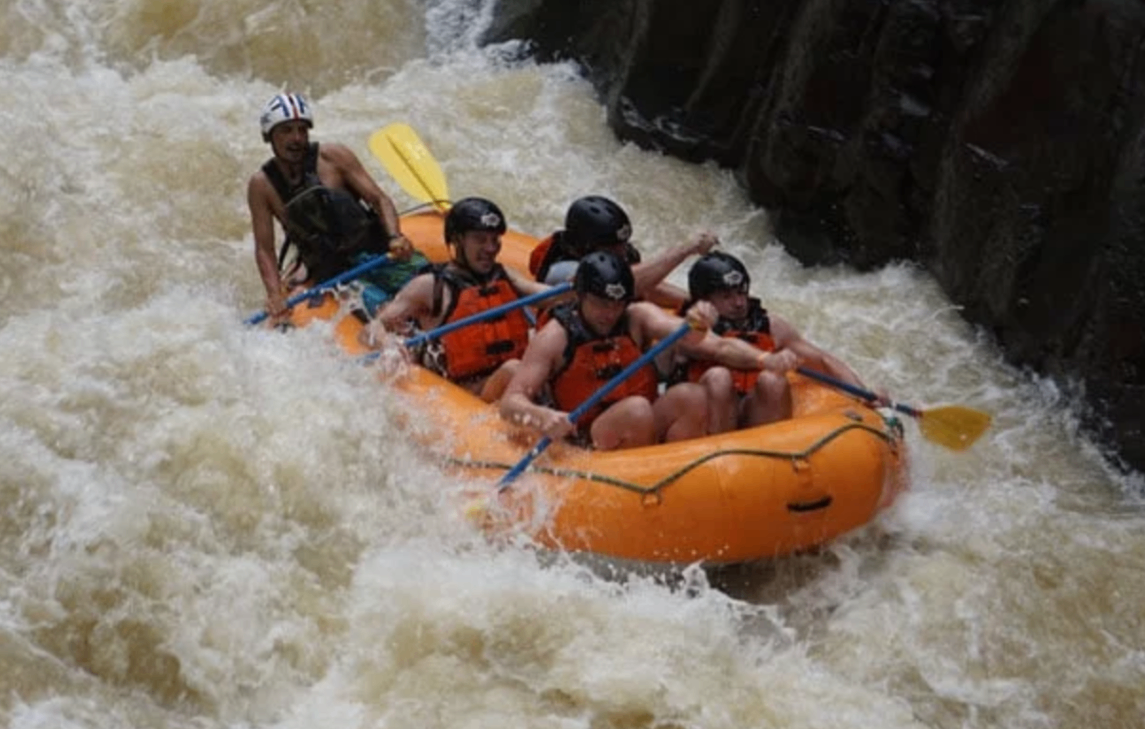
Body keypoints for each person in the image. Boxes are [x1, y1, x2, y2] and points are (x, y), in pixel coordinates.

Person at [500, 250, 787, 451]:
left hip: (644, 426)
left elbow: (714, 344)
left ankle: (689, 473)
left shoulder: (637, 316)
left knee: (692, 395)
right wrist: (543, 417)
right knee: (636, 410)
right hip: (586, 438)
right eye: (601, 303)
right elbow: (511, 401)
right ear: (581, 296)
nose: (609, 313)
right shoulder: (555, 336)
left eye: (617, 303)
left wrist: (762, 357)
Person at [247, 92, 426, 321]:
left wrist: (394, 236)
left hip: (376, 249)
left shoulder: (333, 157)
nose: (297, 138)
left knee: (434, 287)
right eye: (286, 130)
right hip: (335, 273)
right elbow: (265, 249)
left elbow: (379, 199)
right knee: (387, 315)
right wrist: (274, 294)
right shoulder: (261, 185)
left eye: (302, 129)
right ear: (269, 136)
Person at [361, 197, 552, 402]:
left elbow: (548, 296)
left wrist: (580, 286)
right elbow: (372, 329)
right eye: (480, 239)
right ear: (458, 240)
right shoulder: (430, 286)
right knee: (514, 370)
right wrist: (388, 345)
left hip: (510, 385)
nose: (490, 248)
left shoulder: (504, 275)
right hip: (466, 393)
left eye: (495, 239)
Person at [674, 251, 882, 432]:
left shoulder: (769, 325)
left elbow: (821, 360)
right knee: (719, 378)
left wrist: (864, 394)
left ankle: (772, 458)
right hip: (707, 420)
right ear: (704, 300)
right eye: (726, 296)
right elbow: (720, 349)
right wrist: (765, 359)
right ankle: (719, 456)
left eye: (741, 293)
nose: (738, 303)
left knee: (773, 380)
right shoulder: (689, 328)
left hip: (751, 411)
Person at [528, 195, 717, 308]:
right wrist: (685, 249)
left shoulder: (613, 257)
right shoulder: (563, 271)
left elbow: (649, 287)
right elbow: (627, 283)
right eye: (613, 246)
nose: (622, 251)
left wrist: (701, 302)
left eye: (622, 244)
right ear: (585, 246)